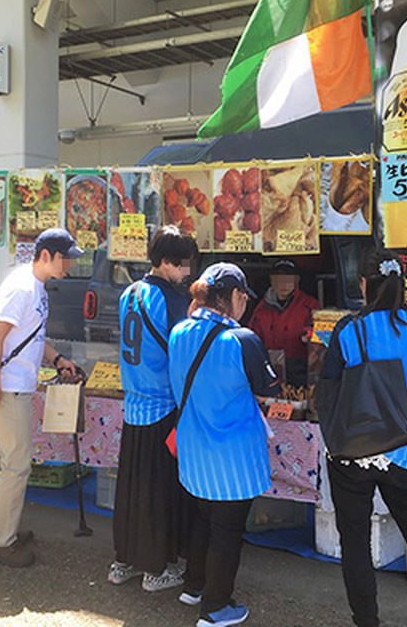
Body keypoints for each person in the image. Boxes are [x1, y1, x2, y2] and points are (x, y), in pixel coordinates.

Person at [320, 248, 407, 627]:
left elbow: (328, 386)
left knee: (355, 541)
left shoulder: (349, 330)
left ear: (364, 283)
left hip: (354, 454)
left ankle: (367, 621)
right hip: (404, 451)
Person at [168, 263, 281, 627]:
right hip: (232, 457)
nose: (245, 303)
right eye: (243, 296)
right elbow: (269, 388)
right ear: (232, 296)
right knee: (227, 531)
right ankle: (216, 608)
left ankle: (194, 586)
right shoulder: (241, 339)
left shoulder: (180, 331)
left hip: (193, 451)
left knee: (204, 519)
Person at [0, 228, 80, 568]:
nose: (68, 264)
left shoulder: (35, 285)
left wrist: (57, 359)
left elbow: (32, 336)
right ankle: (0, 541)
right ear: (46, 255)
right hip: (8, 387)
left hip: (9, 385)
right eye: (65, 257)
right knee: (16, 464)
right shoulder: (23, 287)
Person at [109, 225, 198, 592]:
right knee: (159, 492)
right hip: (163, 407)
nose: (188, 273)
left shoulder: (129, 293)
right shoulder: (171, 300)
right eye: (182, 266)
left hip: (133, 405)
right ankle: (155, 569)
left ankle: (122, 562)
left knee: (131, 488)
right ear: (165, 262)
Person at [248, 258, 319, 387]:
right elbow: (251, 338)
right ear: (271, 281)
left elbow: (319, 334)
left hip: (300, 372)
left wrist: (308, 337)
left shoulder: (310, 305)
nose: (284, 284)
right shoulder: (261, 308)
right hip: (270, 370)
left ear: (296, 281)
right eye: (279, 279)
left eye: (288, 279)